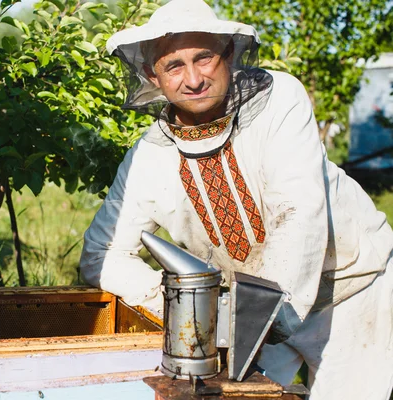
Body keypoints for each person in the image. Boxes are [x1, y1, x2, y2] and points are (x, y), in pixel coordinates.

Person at [79, 0, 393, 399]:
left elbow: (299, 217)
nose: (193, 79)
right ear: (151, 75)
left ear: (228, 54)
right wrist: (194, 309)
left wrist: (246, 318)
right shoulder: (147, 158)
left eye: (204, 58)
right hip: (241, 314)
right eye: (174, 66)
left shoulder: (280, 101)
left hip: (350, 290)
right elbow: (100, 255)